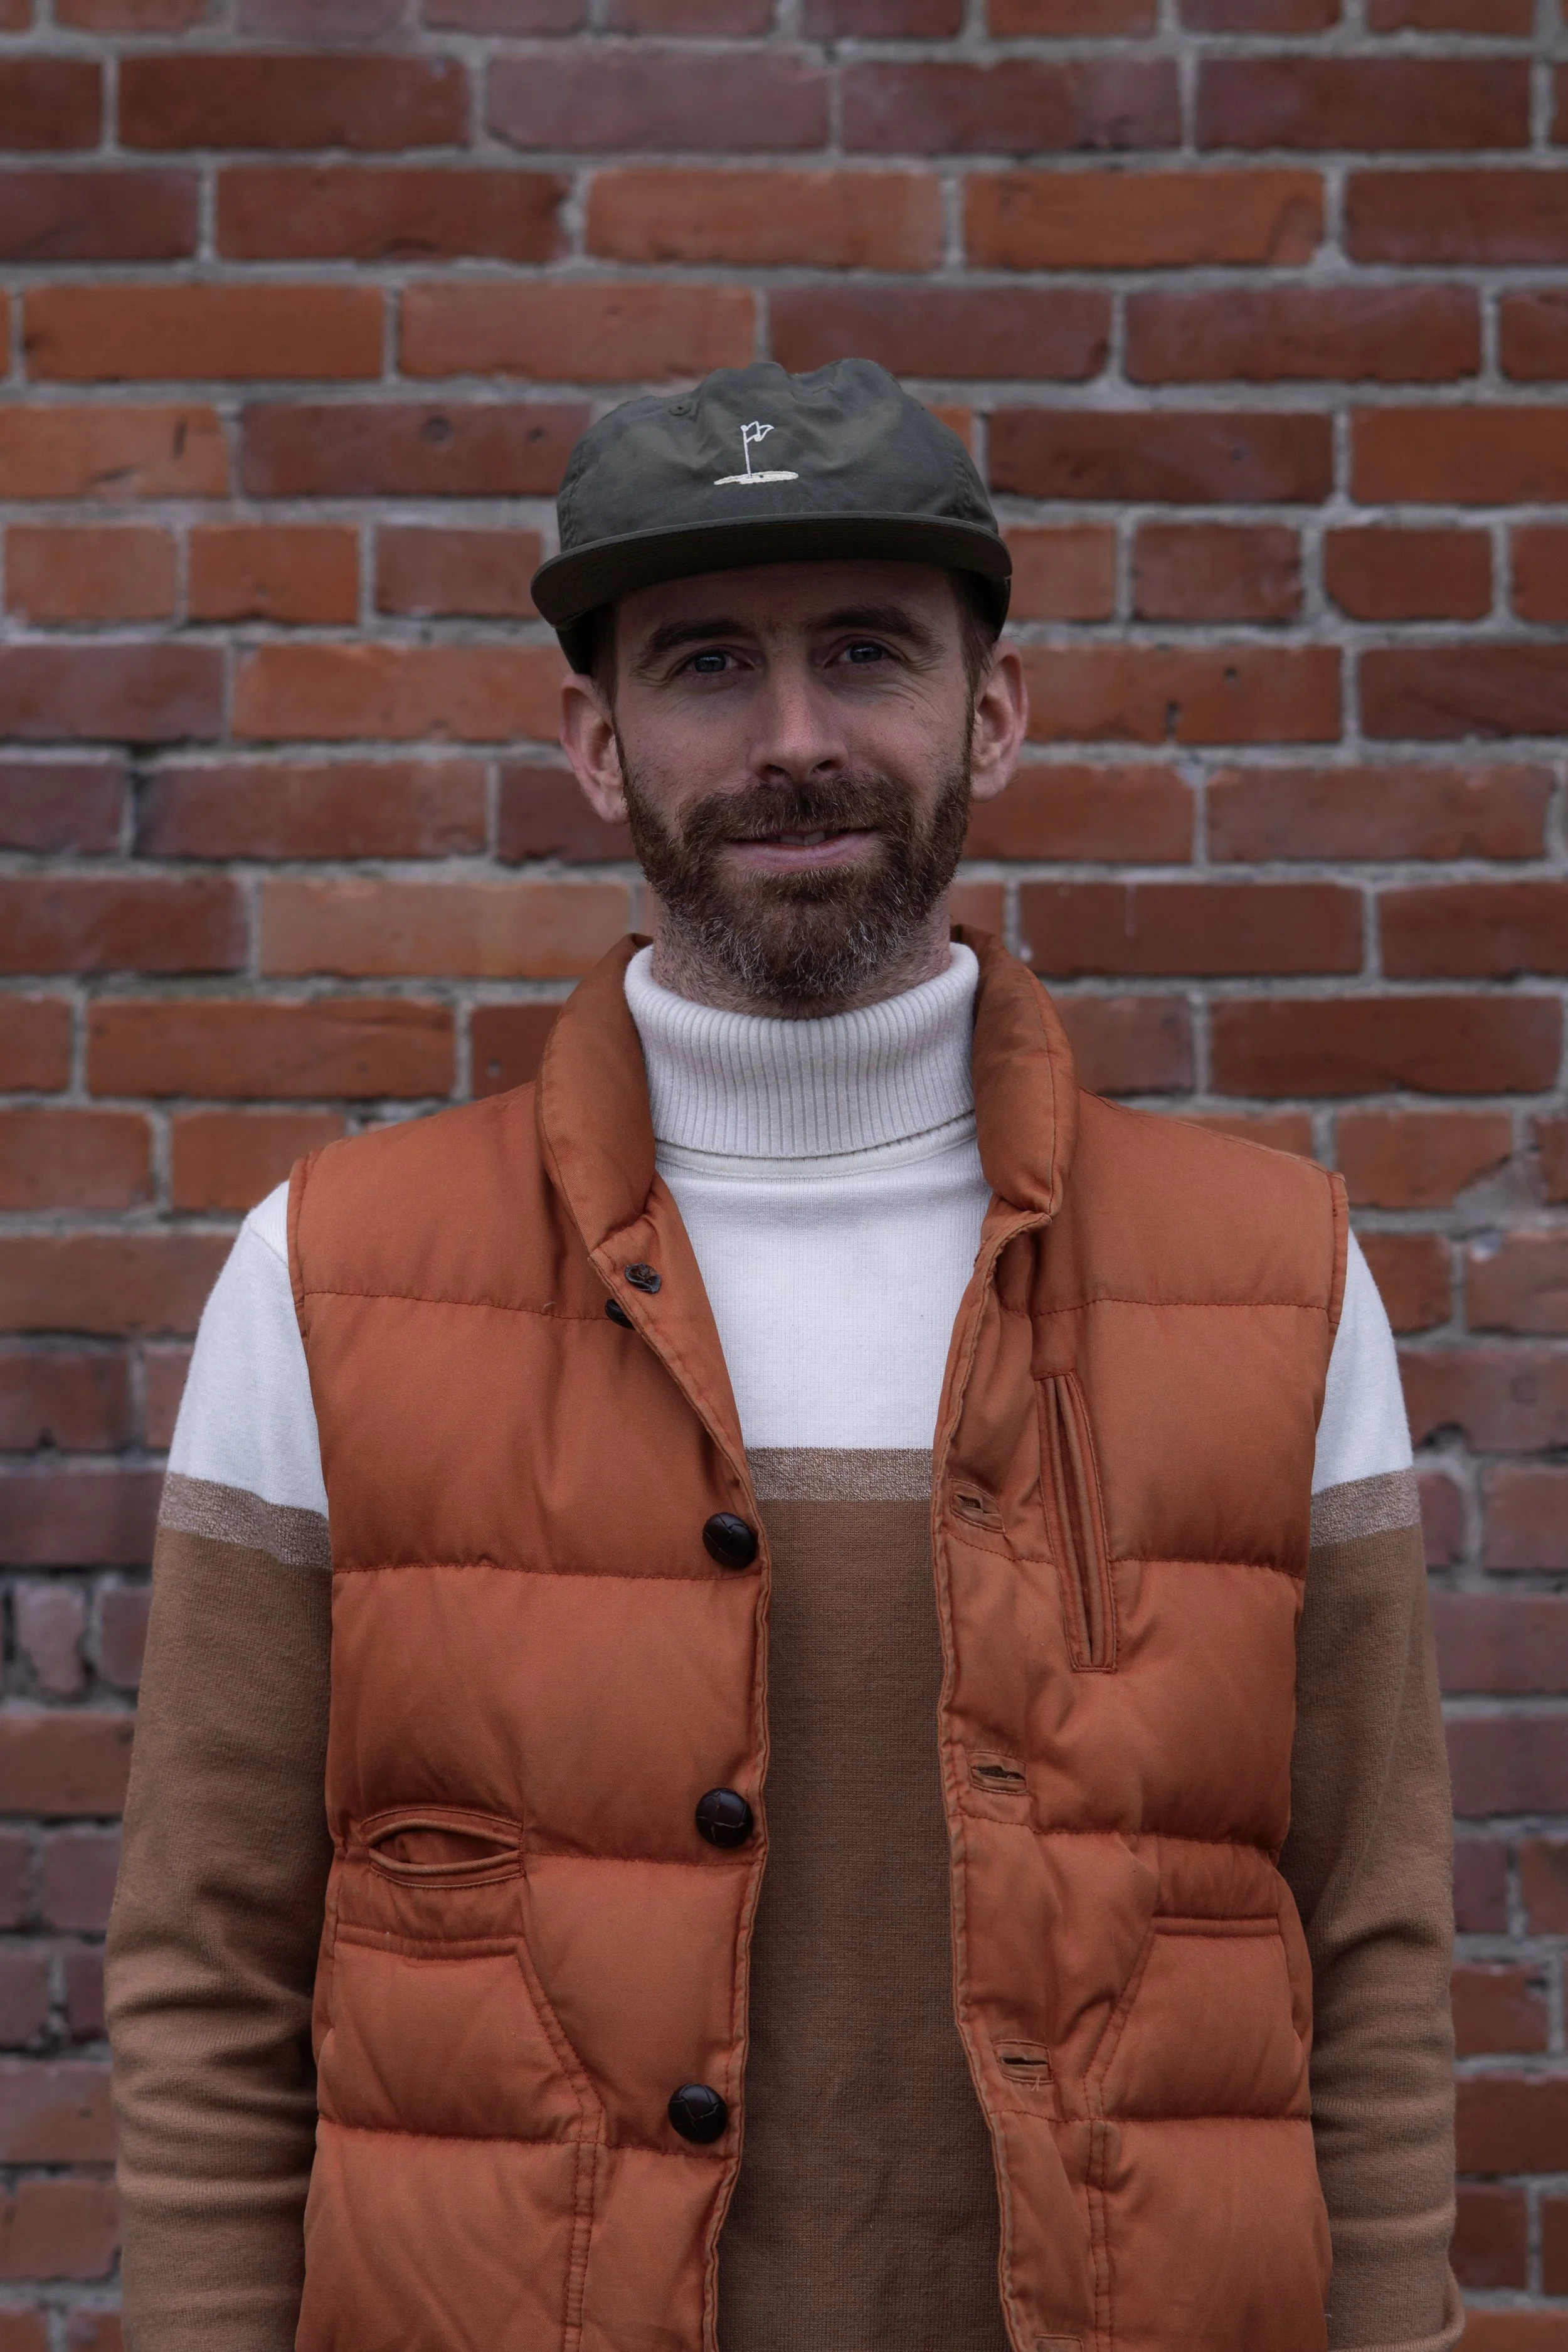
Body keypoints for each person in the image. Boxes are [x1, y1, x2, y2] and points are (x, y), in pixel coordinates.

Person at [107, 358, 1458, 2352]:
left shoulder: (1272, 1274)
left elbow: (1374, 1952)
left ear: (993, 708)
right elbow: (207, 1968)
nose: (796, 737)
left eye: (865, 651)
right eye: (710, 664)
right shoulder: (329, 1273)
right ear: (597, 742)